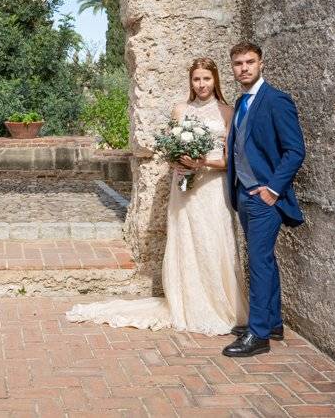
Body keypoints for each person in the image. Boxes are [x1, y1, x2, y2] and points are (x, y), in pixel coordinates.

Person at [67, 58, 248, 335]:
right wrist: (178, 162)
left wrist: (203, 164)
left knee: (215, 240)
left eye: (206, 79)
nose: (201, 85)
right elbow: (171, 149)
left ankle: (220, 304)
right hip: (185, 188)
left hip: (213, 188)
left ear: (215, 81)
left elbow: (230, 161)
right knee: (188, 240)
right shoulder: (180, 110)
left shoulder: (228, 112)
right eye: (196, 79)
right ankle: (189, 303)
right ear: (191, 82)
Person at [222, 42, 306, 357]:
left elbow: (295, 150)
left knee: (258, 262)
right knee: (264, 260)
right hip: (242, 193)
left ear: (261, 64)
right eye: (238, 63)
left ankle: (258, 336)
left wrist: (272, 189)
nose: (243, 68)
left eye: (249, 62)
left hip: (264, 197)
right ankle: (271, 322)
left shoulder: (276, 100)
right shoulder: (241, 101)